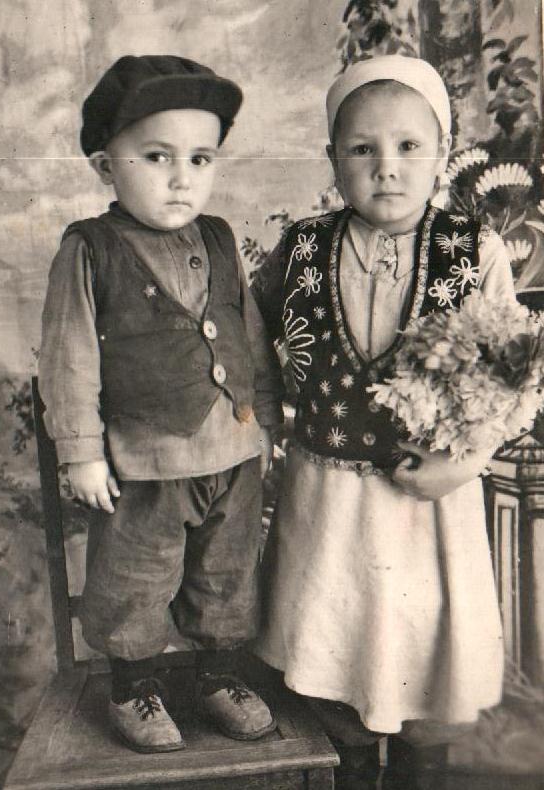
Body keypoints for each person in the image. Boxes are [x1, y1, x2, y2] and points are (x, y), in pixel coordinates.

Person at [251, 55, 514, 783]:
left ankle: (419, 772)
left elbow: (513, 373)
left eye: (408, 146)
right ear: (333, 157)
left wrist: (466, 462)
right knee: (334, 648)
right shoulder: (303, 248)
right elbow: (248, 336)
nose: (386, 168)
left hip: (429, 503)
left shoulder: (476, 251)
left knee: (423, 659)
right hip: (328, 499)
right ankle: (351, 766)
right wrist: (263, 418)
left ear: (442, 152)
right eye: (362, 148)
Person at [39, 55, 284, 754]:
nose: (183, 178)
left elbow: (248, 335)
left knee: (226, 574)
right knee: (136, 580)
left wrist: (265, 419)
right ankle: (133, 686)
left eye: (200, 159)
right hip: (146, 461)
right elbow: (68, 357)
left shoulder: (218, 237)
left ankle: (218, 677)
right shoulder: (90, 249)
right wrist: (81, 452)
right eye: (156, 157)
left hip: (231, 450)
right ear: (104, 166)